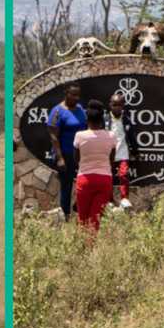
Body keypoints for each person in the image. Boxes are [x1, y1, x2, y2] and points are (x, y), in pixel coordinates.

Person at [71, 99, 117, 233]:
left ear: (87, 118)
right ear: (102, 118)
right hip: (104, 180)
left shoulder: (80, 136)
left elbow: (76, 159)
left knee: (82, 218)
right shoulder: (111, 136)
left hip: (84, 179)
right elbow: (112, 160)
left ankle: (82, 249)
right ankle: (91, 249)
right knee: (95, 219)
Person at [47, 83, 86, 221]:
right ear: (66, 93)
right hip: (66, 153)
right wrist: (60, 157)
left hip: (81, 154)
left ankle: (78, 207)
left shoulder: (80, 109)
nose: (76, 98)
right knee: (67, 185)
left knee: (85, 183)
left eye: (78, 95)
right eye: (73, 95)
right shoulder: (57, 111)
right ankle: (65, 215)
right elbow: (53, 135)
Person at [107, 92, 134, 209]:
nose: (116, 108)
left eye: (119, 105)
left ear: (123, 106)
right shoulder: (105, 119)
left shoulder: (126, 119)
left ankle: (124, 198)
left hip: (123, 152)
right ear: (110, 105)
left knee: (124, 175)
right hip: (108, 153)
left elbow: (132, 136)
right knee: (108, 176)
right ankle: (109, 199)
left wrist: (135, 150)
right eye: (114, 105)